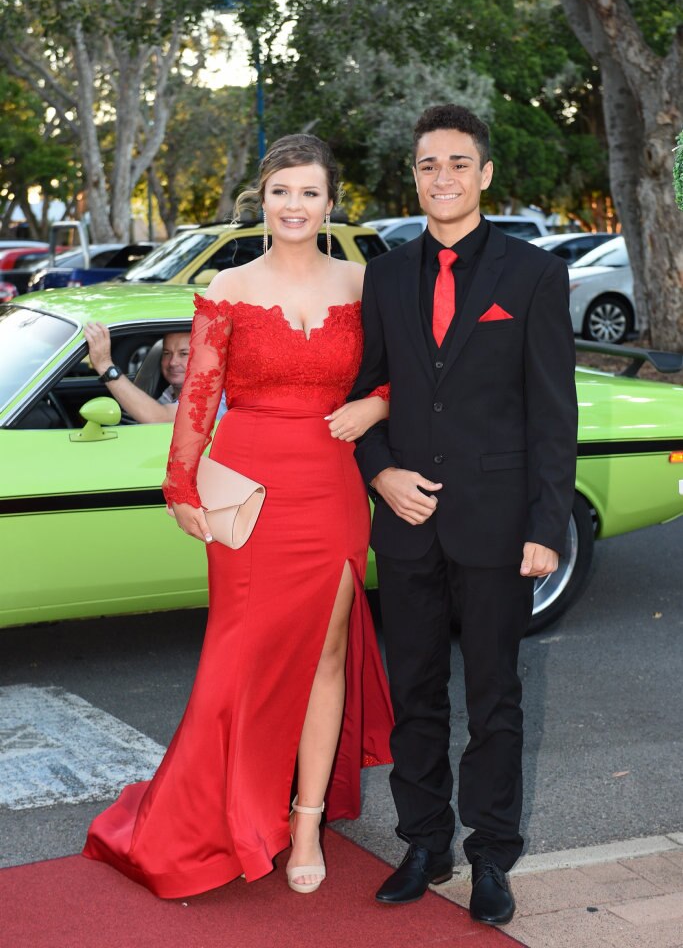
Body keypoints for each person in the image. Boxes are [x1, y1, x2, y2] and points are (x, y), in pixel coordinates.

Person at [83, 135, 394, 898]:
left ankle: (306, 820)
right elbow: (197, 398)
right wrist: (180, 488)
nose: (294, 205)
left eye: (309, 192)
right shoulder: (226, 288)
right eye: (281, 191)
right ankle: (210, 807)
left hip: (332, 484)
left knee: (325, 657)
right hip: (248, 487)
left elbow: (406, 377)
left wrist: (374, 403)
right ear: (264, 200)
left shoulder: (366, 283)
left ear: (330, 202)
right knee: (236, 662)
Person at [349, 104, 577, 924]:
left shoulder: (531, 275)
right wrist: (381, 477)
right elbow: (366, 394)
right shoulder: (383, 274)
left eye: (455, 163)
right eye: (425, 165)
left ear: (483, 174)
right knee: (414, 693)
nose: (439, 177)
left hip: (496, 523)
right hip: (405, 523)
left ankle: (490, 854)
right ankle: (422, 842)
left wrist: (545, 529)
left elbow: (553, 412)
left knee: (494, 698)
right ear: (412, 177)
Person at [84, 324, 189, 423]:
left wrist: (104, 365)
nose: (172, 362)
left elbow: (159, 418)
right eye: (167, 353)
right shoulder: (171, 392)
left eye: (184, 354)